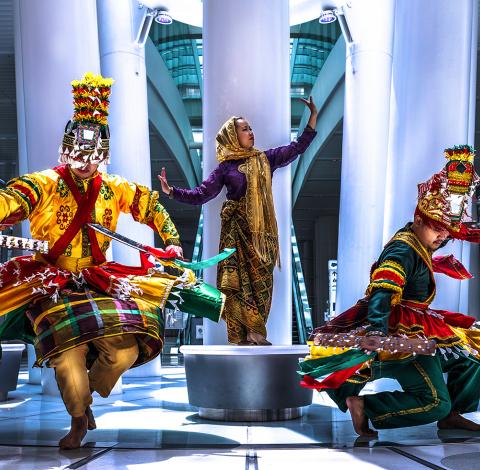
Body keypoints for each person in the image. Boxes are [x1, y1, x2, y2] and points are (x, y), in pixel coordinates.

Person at [0, 73, 224, 449]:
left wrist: (170, 241)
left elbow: (151, 207)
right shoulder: (41, 184)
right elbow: (10, 199)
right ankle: (78, 418)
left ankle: (88, 394)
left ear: (103, 156)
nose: (85, 164)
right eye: (78, 156)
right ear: (65, 152)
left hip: (99, 279)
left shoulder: (115, 187)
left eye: (93, 158)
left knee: (126, 349)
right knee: (67, 355)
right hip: (50, 281)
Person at [299, 145, 480, 436]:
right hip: (402, 328)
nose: (443, 236)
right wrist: (378, 331)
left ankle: (453, 414)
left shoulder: (419, 243)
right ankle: (367, 407)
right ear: (419, 218)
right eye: (438, 228)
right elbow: (383, 289)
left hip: (423, 322)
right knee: (434, 402)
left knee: (471, 358)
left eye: (447, 231)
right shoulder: (403, 249)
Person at [159, 98, 318, 345]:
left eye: (250, 128)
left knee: (262, 285)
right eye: (245, 129)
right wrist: (172, 192)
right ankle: (248, 334)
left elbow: (297, 147)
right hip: (236, 234)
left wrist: (312, 118)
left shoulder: (266, 158)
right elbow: (202, 194)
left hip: (262, 237)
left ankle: (255, 329)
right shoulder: (226, 168)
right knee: (237, 284)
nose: (250, 132)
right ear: (232, 135)